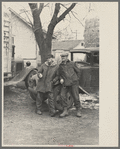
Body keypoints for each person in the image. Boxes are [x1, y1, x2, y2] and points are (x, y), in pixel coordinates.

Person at [58, 52, 82, 118]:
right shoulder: (60, 66)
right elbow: (60, 74)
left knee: (76, 97)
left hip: (73, 83)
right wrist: (61, 78)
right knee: (62, 95)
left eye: (64, 57)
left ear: (67, 57)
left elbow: (78, 71)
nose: (63, 58)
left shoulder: (72, 63)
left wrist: (76, 79)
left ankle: (78, 110)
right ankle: (65, 110)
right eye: (62, 57)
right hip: (65, 83)